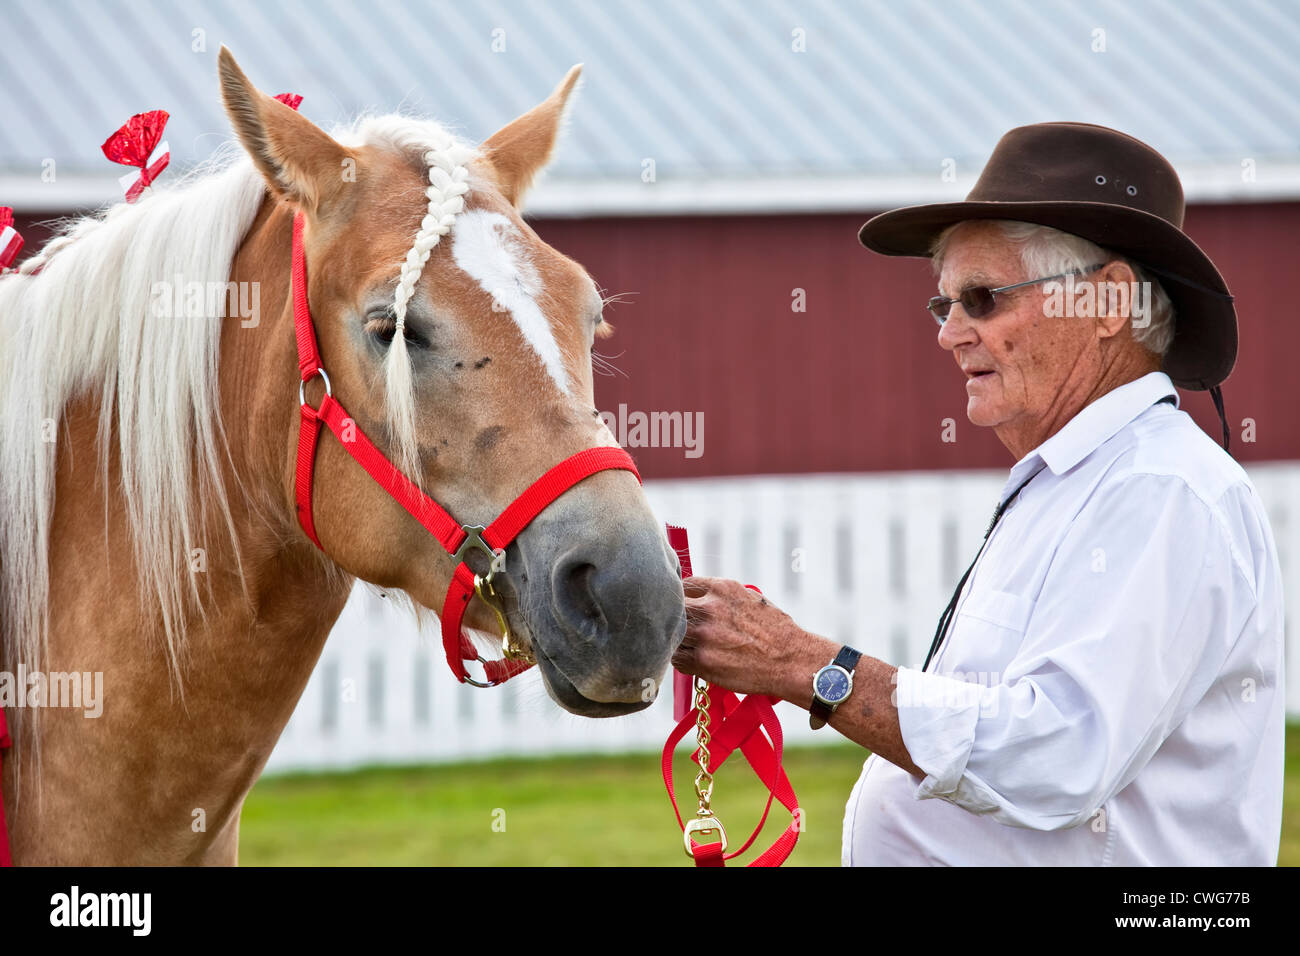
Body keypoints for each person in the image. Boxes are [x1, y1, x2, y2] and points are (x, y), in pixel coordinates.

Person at [672, 122, 1285, 866]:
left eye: (983, 298)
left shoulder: (1161, 489)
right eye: (944, 305)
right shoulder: (1085, 480)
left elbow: (1061, 753)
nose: (950, 333)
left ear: (1108, 302)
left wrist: (803, 665)